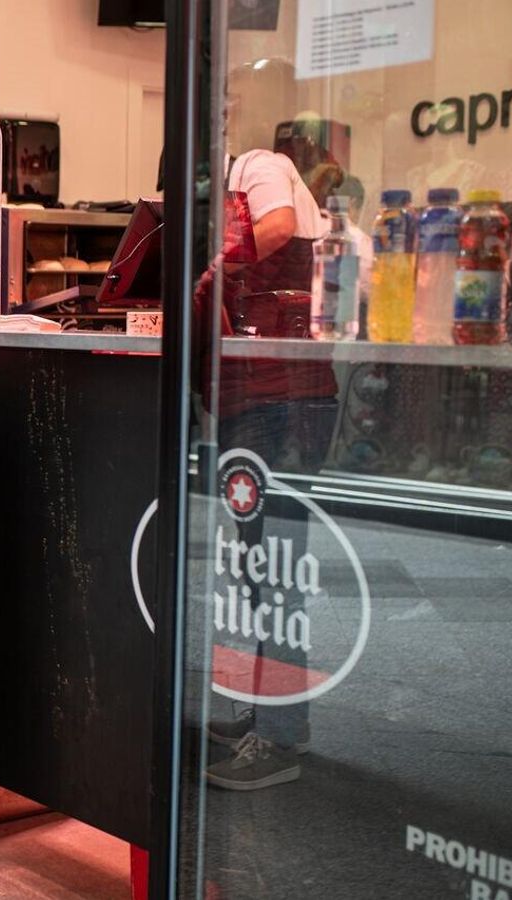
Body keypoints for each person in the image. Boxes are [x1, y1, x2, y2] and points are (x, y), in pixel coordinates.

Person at [201, 58, 337, 792]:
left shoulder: (260, 166)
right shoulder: (224, 187)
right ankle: (267, 710)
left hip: (286, 396)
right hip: (255, 398)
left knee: (276, 568)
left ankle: (283, 736)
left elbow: (278, 228)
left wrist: (210, 268)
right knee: (257, 566)